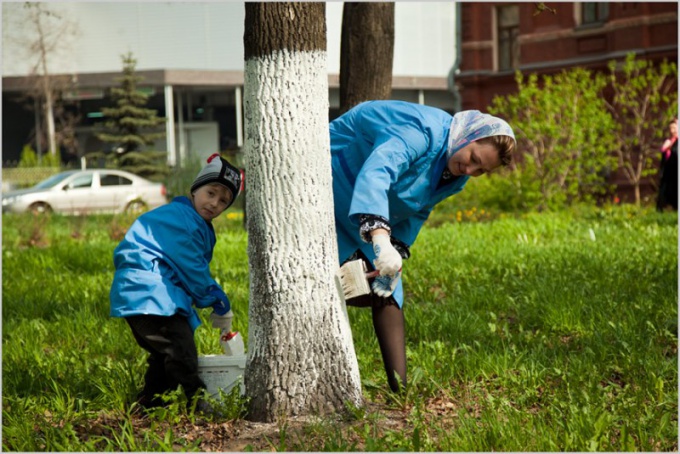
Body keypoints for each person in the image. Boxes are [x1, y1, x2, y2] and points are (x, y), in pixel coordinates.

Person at [329, 100, 516, 392]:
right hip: (332, 181)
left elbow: (418, 208)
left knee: (388, 287)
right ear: (468, 137)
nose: (470, 169)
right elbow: (378, 170)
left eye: (480, 169)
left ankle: (400, 391)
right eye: (474, 157)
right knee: (325, 283)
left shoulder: (455, 176)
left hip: (362, 210)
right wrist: (379, 239)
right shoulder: (422, 131)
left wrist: (394, 249)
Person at [110, 153, 243, 413]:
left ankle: (148, 406)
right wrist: (219, 302)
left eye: (224, 200)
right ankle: (199, 402)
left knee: (165, 356)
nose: (215, 203)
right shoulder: (184, 221)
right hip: (149, 292)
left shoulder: (188, 218)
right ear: (195, 189)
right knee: (181, 351)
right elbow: (192, 268)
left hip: (143, 292)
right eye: (211, 192)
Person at [657, 118, 678, 212]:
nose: (672, 130)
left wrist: (670, 148)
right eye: (670, 128)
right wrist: (665, 149)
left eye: (674, 128)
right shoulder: (669, 141)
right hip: (668, 173)